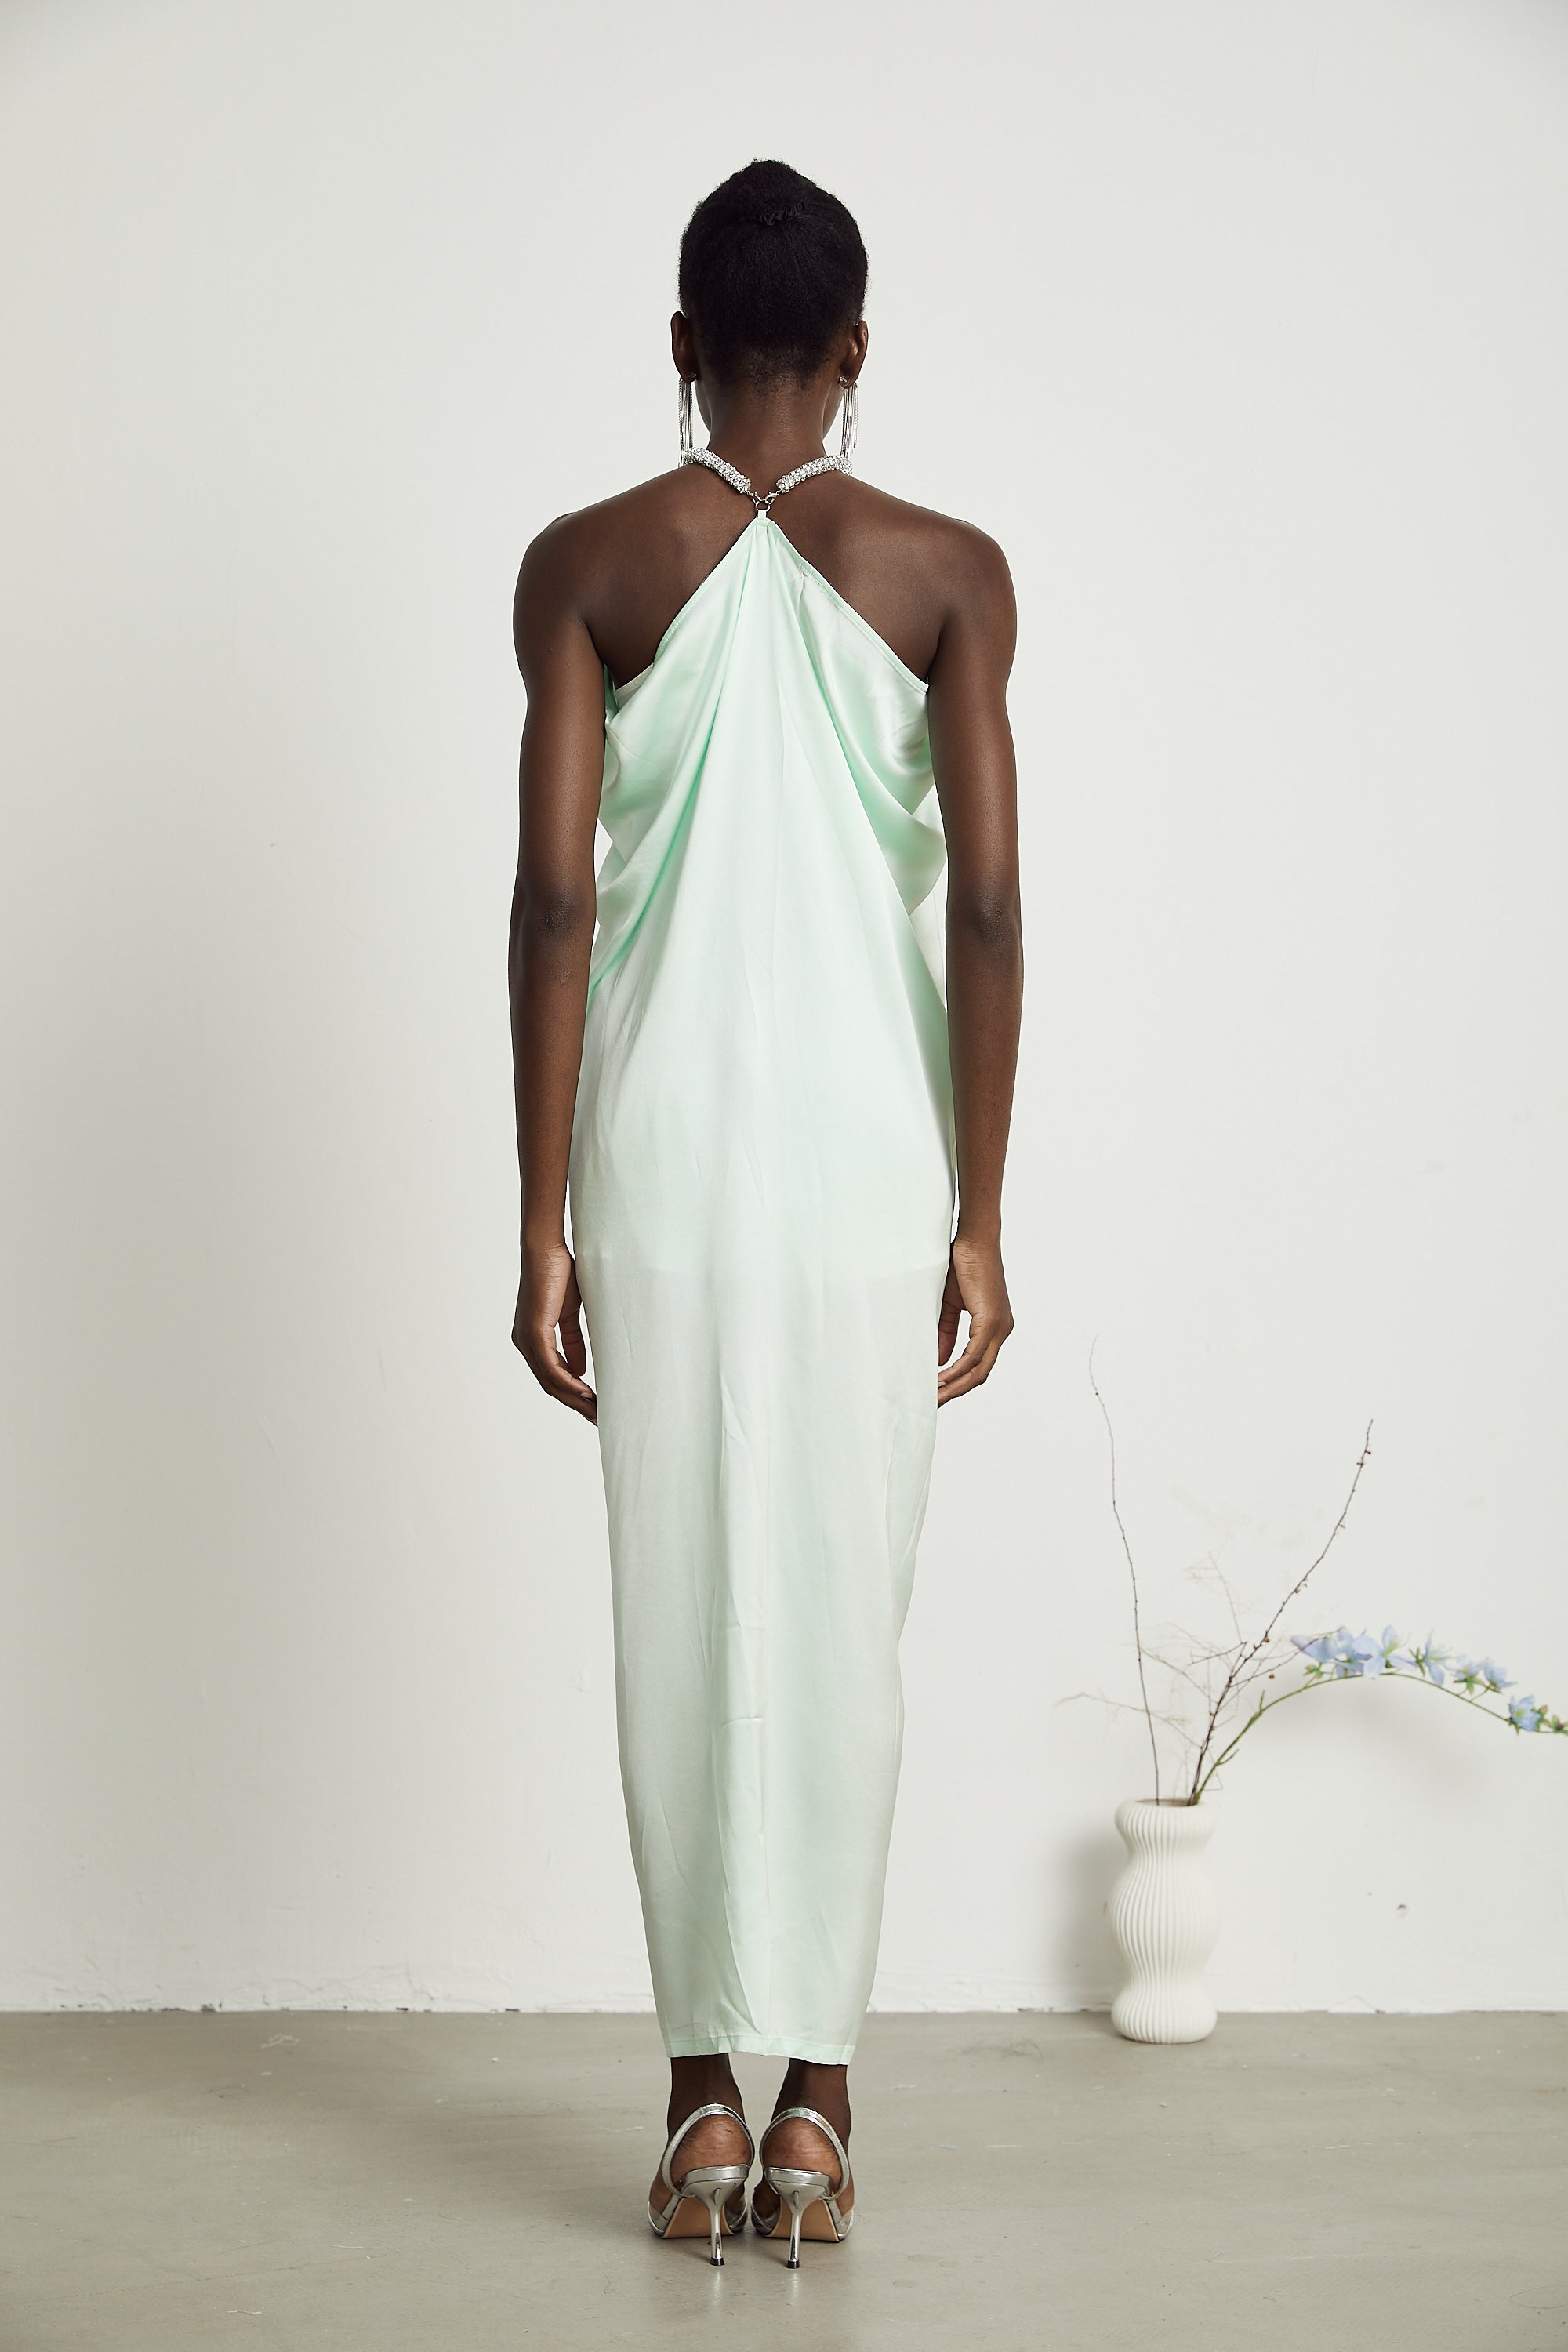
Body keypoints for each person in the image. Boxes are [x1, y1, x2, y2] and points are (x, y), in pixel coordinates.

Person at [509, 158, 1022, 2270]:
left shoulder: (587, 565)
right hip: (863, 1163)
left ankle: (694, 2109)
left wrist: (539, 1219)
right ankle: (816, 2106)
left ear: (680, 344)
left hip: (658, 1158)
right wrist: (983, 1217)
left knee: (681, 1614)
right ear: (858, 348)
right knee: (840, 1617)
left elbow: (557, 901)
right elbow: (987, 907)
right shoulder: (947, 572)